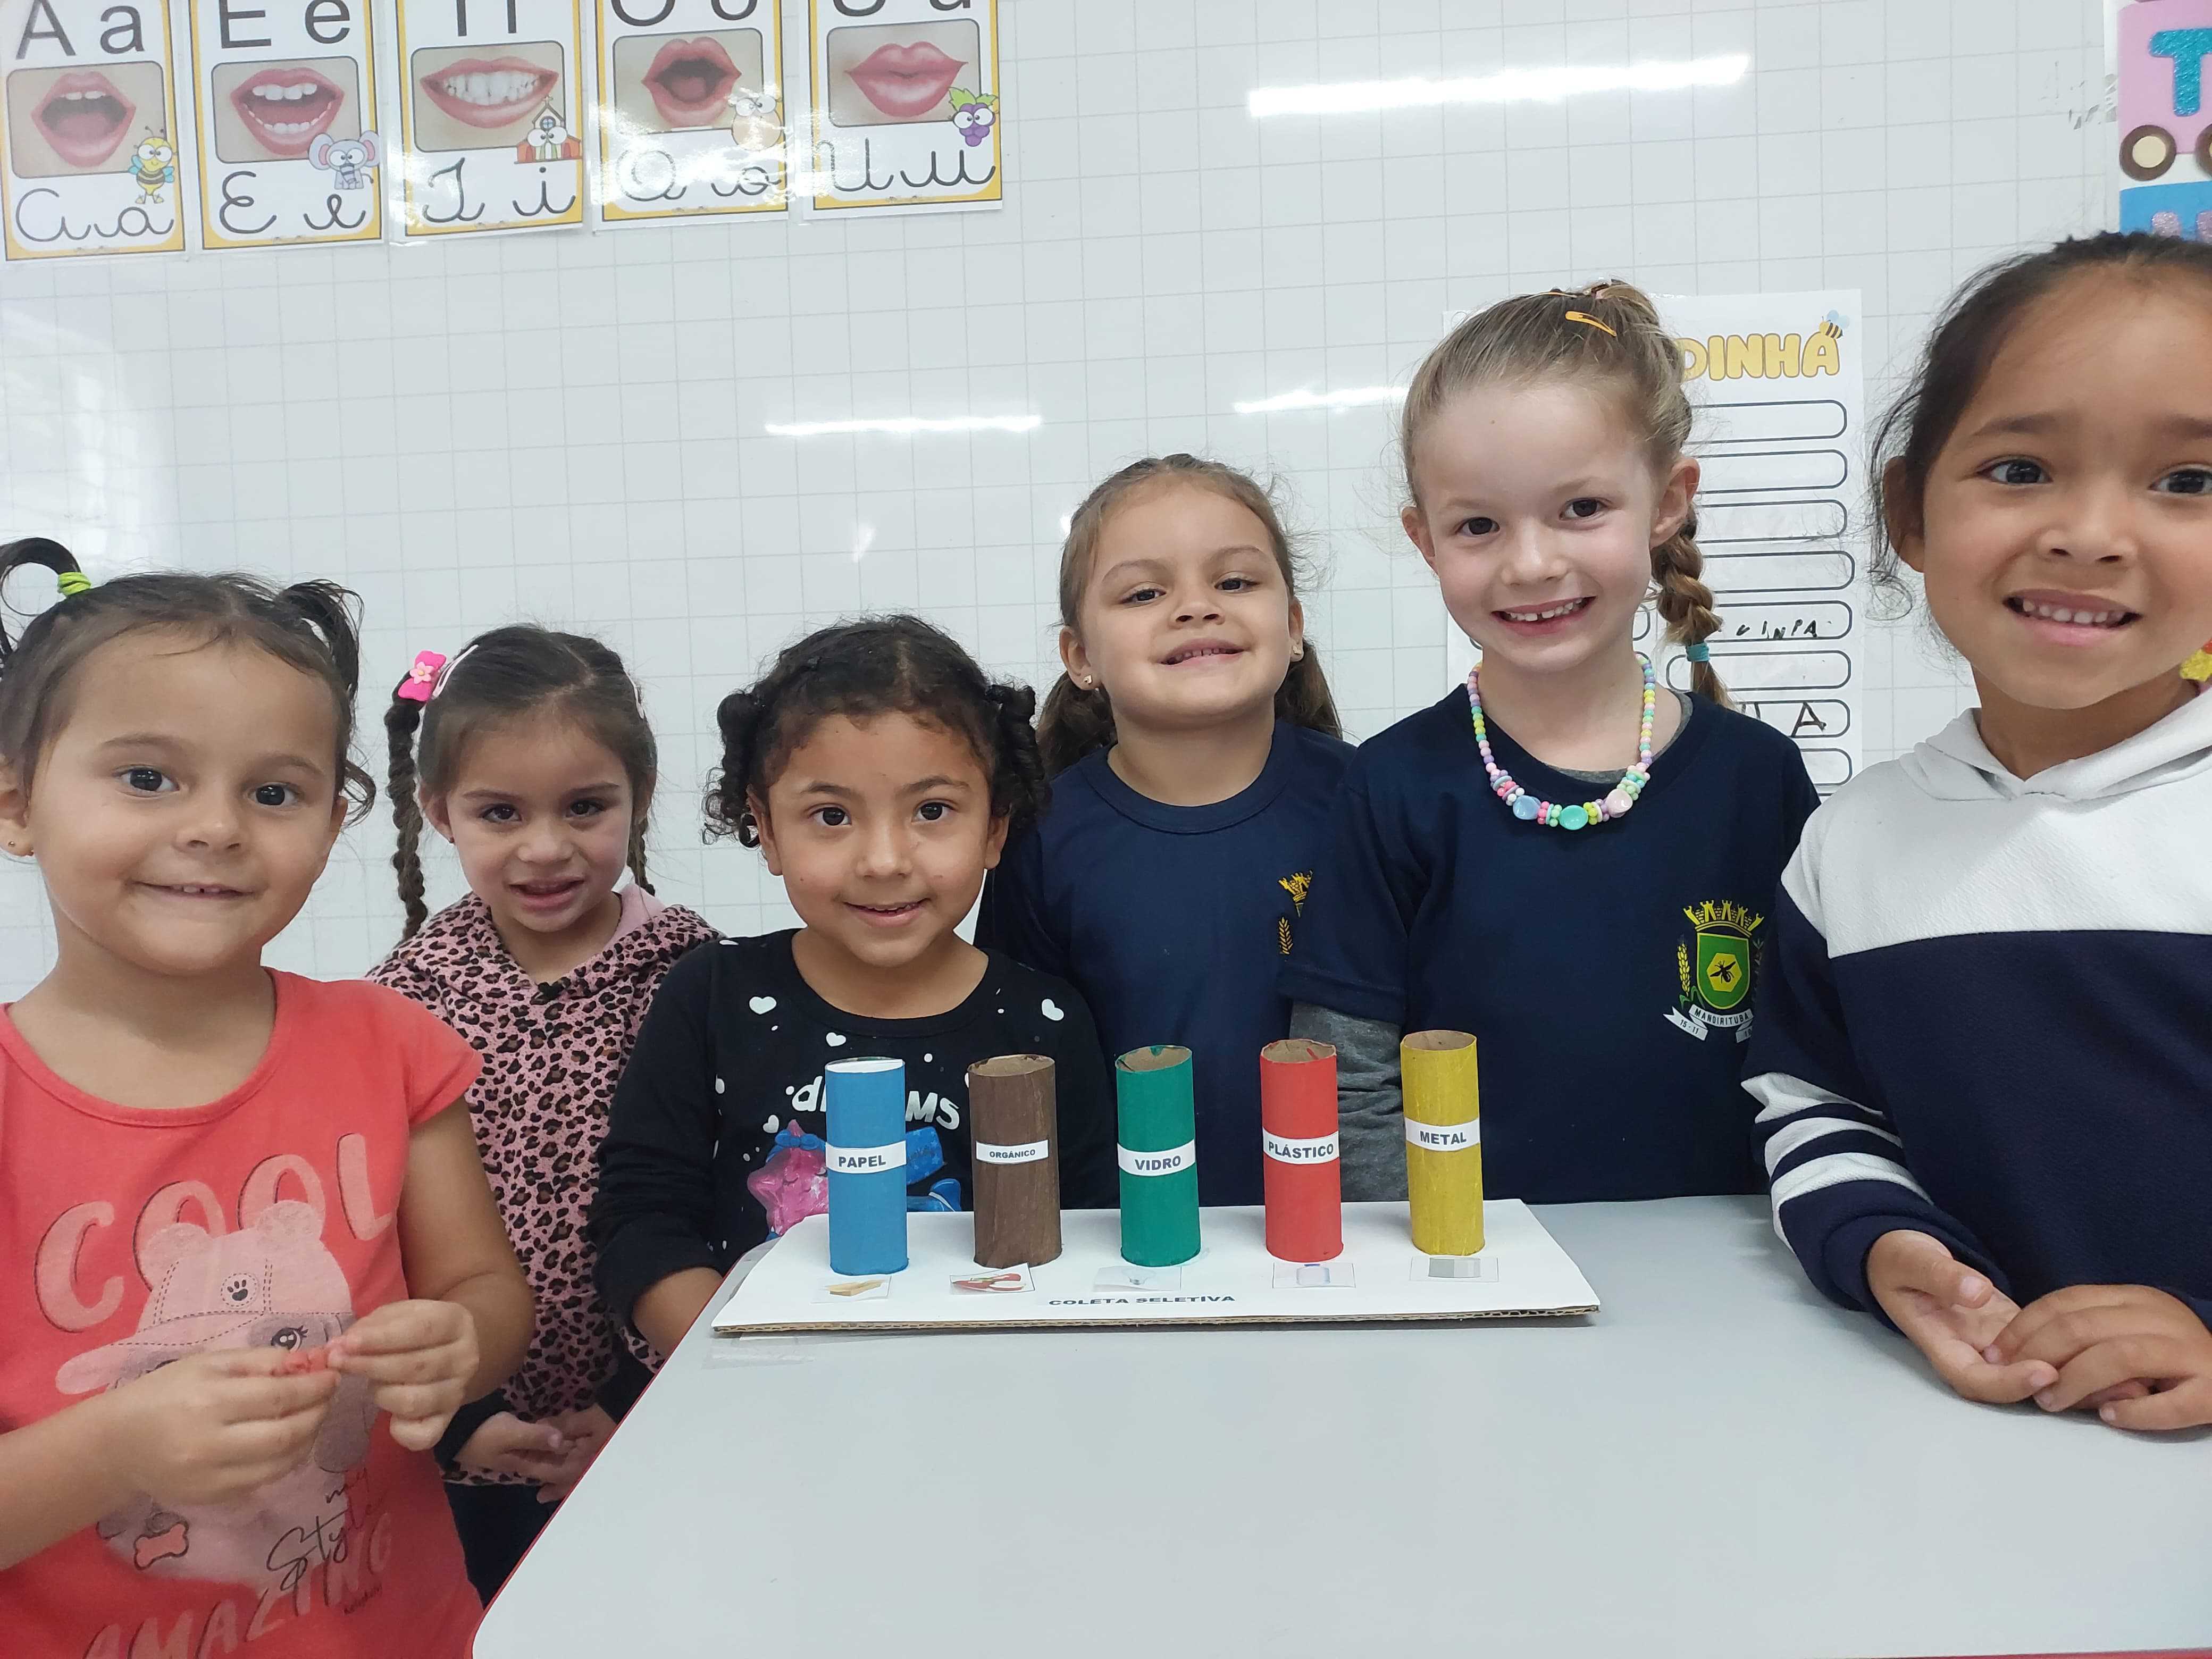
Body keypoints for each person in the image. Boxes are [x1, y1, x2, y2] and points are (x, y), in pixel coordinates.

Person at [0, 542, 531, 1654]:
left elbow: (484, 1291)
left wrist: (458, 1348)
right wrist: (116, 1448)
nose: (217, 827)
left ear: (331, 825)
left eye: (274, 792)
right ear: (16, 801)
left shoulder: (389, 1045)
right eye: (148, 778)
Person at [1746, 232, 2212, 1431]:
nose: (2090, 534)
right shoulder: (1850, 844)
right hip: (1948, 1452)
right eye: (2020, 469)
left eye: (2187, 481)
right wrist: (1878, 1240)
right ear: (1908, 511)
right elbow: (1813, 1102)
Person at [1281, 283, 1820, 1203]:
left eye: (1582, 508)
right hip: (1476, 1265)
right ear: (1425, 539)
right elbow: (1350, 1085)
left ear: (1667, 503)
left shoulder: (1758, 778)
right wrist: (1431, 1260)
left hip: (1731, 1263)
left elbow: (1820, 1059)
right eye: (1478, 525)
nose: (1530, 564)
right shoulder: (1394, 786)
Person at [591, 616, 1116, 1358]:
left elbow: (1091, 1232)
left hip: (989, 1389)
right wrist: (747, 1363)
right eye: (831, 816)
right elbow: (642, 1222)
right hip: (756, 1392)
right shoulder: (710, 996)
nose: (884, 860)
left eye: (932, 811)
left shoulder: (1046, 1020)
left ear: (996, 828)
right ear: (767, 829)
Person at [367, 626, 715, 1598]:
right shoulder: (405, 998)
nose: (547, 847)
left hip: (662, 1420)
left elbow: (721, 1204)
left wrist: (634, 1398)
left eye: (585, 807)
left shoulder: (696, 980)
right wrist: (464, 1420)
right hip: (465, 1447)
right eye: (500, 813)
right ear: (440, 812)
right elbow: (379, 1234)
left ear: (638, 795)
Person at [979, 455, 1351, 1205]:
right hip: (1126, 1240)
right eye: (1145, 593)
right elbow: (1020, 1071)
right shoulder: (1043, 840)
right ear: (1080, 657)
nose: (1196, 607)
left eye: (1235, 582)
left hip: (1351, 1231)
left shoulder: (1368, 802)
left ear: (1293, 625)